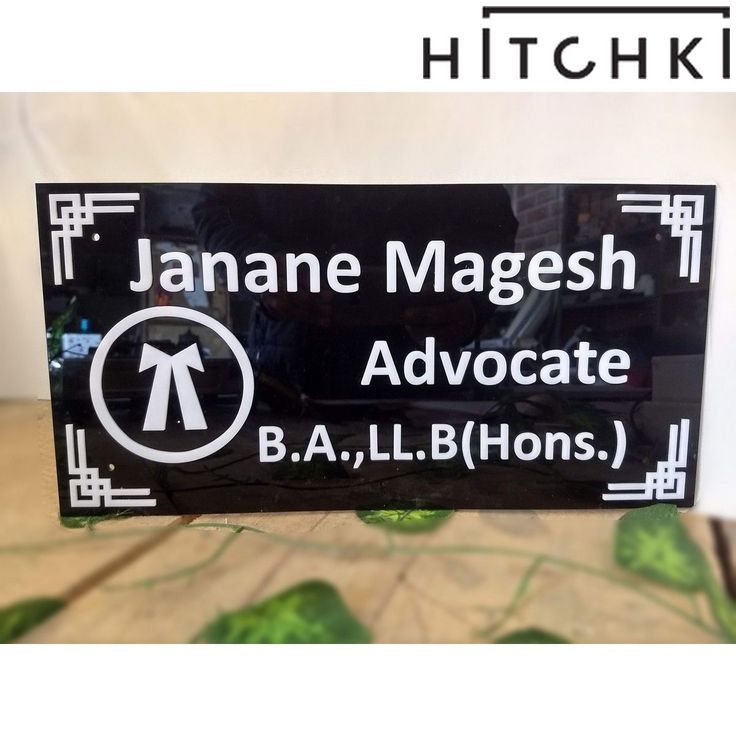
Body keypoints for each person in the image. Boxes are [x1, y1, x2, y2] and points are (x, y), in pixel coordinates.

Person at [192, 184, 518, 401]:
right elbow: (215, 211)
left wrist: (473, 303)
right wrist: (255, 264)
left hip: (421, 387)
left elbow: (491, 224)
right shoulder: (266, 115)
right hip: (284, 385)